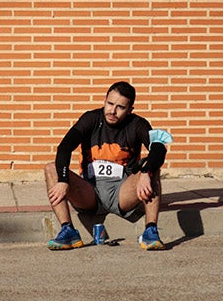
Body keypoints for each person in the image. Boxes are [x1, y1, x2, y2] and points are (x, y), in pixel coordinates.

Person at [44, 81, 169, 250]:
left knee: (152, 167)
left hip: (122, 193)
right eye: (110, 104)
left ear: (130, 109)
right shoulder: (91, 118)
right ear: (104, 101)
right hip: (90, 192)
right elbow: (65, 146)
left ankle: (150, 231)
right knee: (51, 168)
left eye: (120, 107)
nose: (112, 111)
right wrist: (63, 180)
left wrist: (146, 172)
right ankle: (68, 231)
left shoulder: (138, 123)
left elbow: (159, 149)